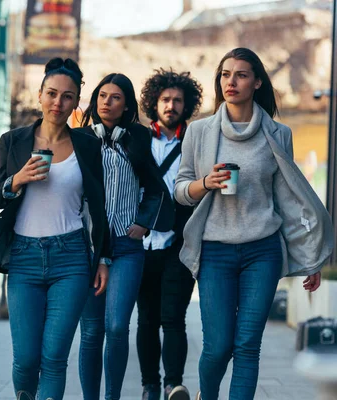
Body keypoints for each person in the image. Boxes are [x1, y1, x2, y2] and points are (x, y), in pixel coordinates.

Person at [174, 47, 333, 400]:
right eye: (225, 74)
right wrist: (205, 184)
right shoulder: (199, 132)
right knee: (217, 346)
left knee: (247, 345)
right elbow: (180, 190)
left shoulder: (278, 134)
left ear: (257, 82)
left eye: (241, 74)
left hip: (262, 251)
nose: (231, 81)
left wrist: (311, 256)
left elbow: (290, 201)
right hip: (215, 250)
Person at [0, 57, 111, 400]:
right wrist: (17, 180)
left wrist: (103, 258)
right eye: (52, 94)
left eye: (67, 96)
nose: (58, 103)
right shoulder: (12, 141)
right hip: (24, 257)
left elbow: (99, 208)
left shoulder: (87, 144)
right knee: (26, 358)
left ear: (76, 102)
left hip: (71, 257)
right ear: (40, 94)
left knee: (54, 358)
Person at [76, 73, 174, 400]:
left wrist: (144, 222)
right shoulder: (79, 139)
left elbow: (155, 187)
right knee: (91, 331)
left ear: (126, 105)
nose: (107, 101)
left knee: (117, 327)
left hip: (127, 247)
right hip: (89, 249)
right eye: (102, 95)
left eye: (115, 97)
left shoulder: (139, 138)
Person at [136, 69, 203, 400]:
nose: (171, 105)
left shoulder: (195, 141)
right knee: (146, 319)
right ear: (154, 102)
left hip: (179, 244)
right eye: (165, 99)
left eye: (178, 100)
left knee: (174, 318)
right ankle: (149, 384)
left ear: (186, 105)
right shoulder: (136, 138)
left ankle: (172, 384)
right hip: (141, 244)